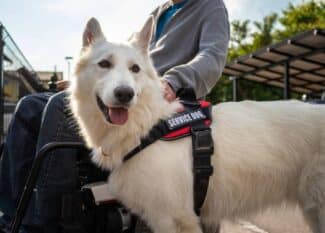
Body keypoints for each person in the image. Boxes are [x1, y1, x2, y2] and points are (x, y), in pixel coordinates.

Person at [0, 0, 229, 232]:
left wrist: (173, 81)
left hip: (158, 96)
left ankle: (45, 224)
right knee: (29, 106)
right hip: (129, 82)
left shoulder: (210, 6)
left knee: (61, 106)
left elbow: (213, 57)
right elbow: (123, 60)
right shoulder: (159, 12)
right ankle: (12, 216)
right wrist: (93, 77)